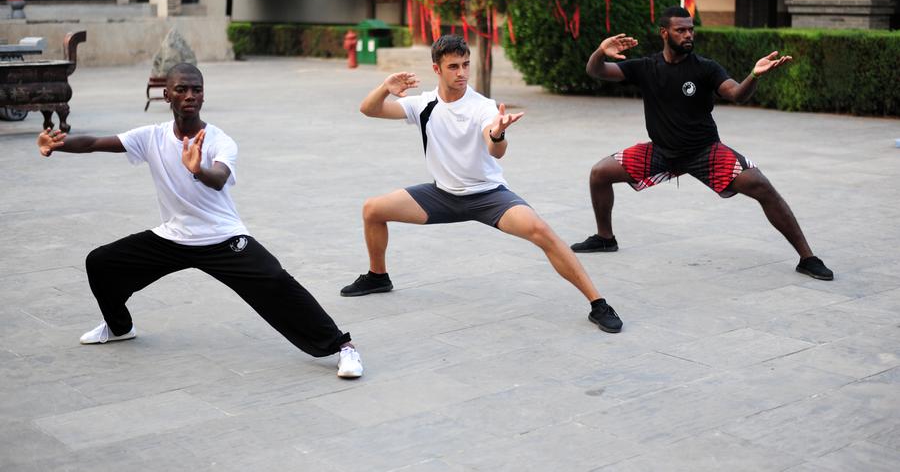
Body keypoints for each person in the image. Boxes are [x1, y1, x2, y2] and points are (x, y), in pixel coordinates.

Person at [36, 63, 364, 378]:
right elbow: (95, 143)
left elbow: (219, 177)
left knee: (277, 281)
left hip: (222, 238)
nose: (190, 95)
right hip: (173, 238)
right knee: (101, 263)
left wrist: (198, 170)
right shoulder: (151, 136)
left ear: (203, 96)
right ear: (167, 96)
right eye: (181, 89)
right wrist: (57, 144)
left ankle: (343, 347)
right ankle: (119, 328)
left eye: (196, 90)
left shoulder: (220, 140)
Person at [340, 35, 623, 333]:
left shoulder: (482, 107)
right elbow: (369, 109)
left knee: (542, 232)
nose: (462, 73)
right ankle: (378, 276)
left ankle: (598, 303)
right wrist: (386, 87)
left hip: (488, 197)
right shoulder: (423, 104)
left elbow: (495, 147)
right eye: (453, 66)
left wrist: (499, 134)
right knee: (373, 209)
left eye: (465, 65)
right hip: (442, 194)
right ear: (437, 69)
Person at [571, 6, 834, 282]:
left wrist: (754, 75)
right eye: (680, 30)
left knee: (762, 186)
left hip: (705, 152)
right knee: (599, 173)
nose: (688, 35)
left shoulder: (705, 68)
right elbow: (596, 70)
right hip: (661, 151)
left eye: (691, 29)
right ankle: (605, 238)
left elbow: (736, 94)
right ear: (664, 33)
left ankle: (807, 258)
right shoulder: (646, 67)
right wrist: (601, 51)